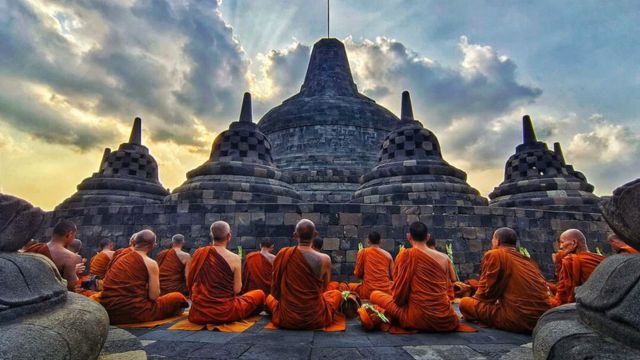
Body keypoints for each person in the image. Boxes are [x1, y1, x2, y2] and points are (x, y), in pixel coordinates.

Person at [364, 222, 459, 332]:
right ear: (427, 237)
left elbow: (399, 298)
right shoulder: (445, 258)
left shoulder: (405, 255)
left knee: (375, 295)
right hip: (444, 318)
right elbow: (450, 283)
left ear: (409, 237)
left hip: (416, 318)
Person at [459, 228, 552, 333]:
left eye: (492, 240)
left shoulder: (495, 254)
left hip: (519, 319)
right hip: (542, 319)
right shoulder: (527, 260)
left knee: (464, 303)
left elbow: (485, 295)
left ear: (497, 241)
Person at [99, 230, 188, 324]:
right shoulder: (150, 263)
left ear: (133, 242)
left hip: (109, 310)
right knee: (177, 297)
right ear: (153, 245)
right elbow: (153, 296)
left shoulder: (120, 256)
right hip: (134, 312)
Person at [266, 219, 343, 329]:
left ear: (295, 235)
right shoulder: (325, 259)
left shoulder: (283, 253)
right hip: (315, 317)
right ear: (315, 235)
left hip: (287, 318)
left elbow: (275, 289)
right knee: (336, 294)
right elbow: (324, 287)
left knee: (268, 298)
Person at [188, 221, 265, 325]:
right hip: (225, 312)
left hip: (199, 312)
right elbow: (237, 289)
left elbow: (190, 281)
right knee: (259, 294)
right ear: (229, 236)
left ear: (211, 235)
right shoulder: (235, 258)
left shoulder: (199, 253)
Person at [24, 220, 83, 291]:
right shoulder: (70, 257)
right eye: (74, 235)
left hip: (26, 290)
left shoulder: (35, 248)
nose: (73, 238)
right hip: (49, 294)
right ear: (69, 234)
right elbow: (71, 287)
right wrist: (74, 272)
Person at [551, 229, 605, 306]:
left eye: (562, 242)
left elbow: (562, 298)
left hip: (583, 307)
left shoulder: (570, 261)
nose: (561, 246)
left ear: (574, 243)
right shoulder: (601, 259)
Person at [349, 231, 393, 300]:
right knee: (391, 285)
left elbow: (357, 274)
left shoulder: (363, 252)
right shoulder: (388, 255)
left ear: (368, 241)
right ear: (380, 241)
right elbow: (393, 276)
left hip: (368, 291)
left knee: (348, 286)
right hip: (385, 292)